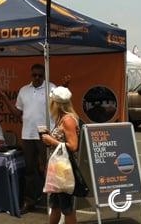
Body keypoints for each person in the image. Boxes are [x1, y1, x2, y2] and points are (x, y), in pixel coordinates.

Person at [0, 64, 68, 212]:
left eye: (40, 75)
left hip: (46, 135)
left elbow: (61, 103)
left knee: (49, 168)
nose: (37, 77)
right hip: (28, 135)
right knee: (30, 170)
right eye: (34, 75)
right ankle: (29, 200)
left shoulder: (51, 87)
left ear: (44, 75)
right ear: (31, 75)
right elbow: (18, 113)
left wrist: (65, 86)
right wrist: (5, 98)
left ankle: (52, 202)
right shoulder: (24, 90)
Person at [40, 86, 79, 224]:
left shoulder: (68, 120)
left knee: (66, 207)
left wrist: (52, 140)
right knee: (55, 205)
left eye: (51, 100)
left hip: (64, 169)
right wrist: (50, 138)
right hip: (58, 167)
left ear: (56, 103)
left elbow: (73, 146)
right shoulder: (61, 118)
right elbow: (62, 141)